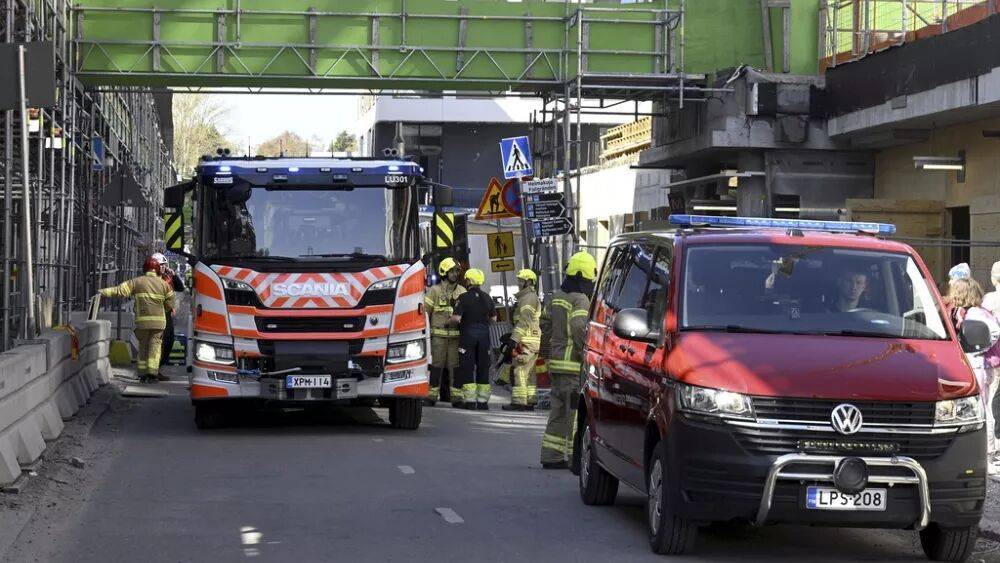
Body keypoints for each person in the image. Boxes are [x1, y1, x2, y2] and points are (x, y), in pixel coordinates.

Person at [539, 251, 596, 469]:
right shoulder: (580, 299)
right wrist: (586, 350)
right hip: (573, 368)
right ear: (583, 275)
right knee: (574, 415)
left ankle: (550, 456)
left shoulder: (557, 297)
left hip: (556, 366)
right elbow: (580, 327)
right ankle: (575, 460)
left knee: (557, 411)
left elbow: (544, 325)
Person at [946, 278, 1000, 472]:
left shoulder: (976, 313)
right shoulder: (964, 312)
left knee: (983, 409)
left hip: (979, 365)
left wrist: (977, 349)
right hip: (974, 365)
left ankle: (988, 454)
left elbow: (994, 332)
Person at [100, 254, 177, 384]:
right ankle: (152, 374)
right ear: (158, 269)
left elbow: (120, 291)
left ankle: (142, 374)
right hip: (159, 323)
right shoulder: (164, 284)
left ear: (145, 269)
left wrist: (103, 292)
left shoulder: (137, 281)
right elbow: (170, 303)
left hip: (142, 322)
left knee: (143, 347)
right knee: (155, 347)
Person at [450, 268, 496, 410]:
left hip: (467, 336)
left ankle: (470, 402)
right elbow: (493, 319)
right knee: (483, 367)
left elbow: (456, 318)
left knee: (468, 367)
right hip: (484, 337)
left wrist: (447, 321)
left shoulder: (463, 298)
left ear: (469, 280)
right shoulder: (488, 298)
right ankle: (483, 402)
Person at [424, 257, 466, 406]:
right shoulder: (434, 291)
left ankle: (457, 398)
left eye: (456, 271)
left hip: (455, 338)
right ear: (444, 272)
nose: (455, 274)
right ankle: (431, 396)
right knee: (436, 366)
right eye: (452, 271)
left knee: (455, 368)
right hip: (438, 338)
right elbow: (424, 314)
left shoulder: (462, 291)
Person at [504, 269, 541, 411]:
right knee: (529, 373)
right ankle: (530, 400)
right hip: (532, 340)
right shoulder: (529, 297)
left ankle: (519, 402)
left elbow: (524, 321)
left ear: (529, 282)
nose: (519, 283)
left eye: (521, 280)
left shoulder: (528, 298)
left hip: (526, 340)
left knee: (519, 370)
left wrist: (514, 339)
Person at [157, 259, 186, 382]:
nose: (164, 267)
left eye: (165, 265)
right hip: (156, 314)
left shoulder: (169, 277)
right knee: (159, 344)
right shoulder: (152, 278)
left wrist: (174, 275)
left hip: (167, 313)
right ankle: (153, 371)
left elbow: (180, 288)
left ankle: (158, 368)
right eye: (161, 265)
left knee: (169, 341)